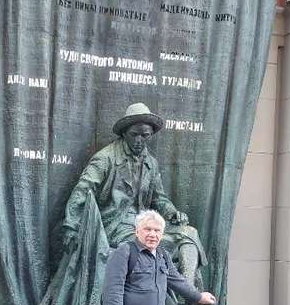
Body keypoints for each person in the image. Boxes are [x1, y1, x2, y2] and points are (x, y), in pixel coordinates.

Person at [64, 102, 206, 286]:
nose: (139, 140)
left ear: (151, 135)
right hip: (115, 225)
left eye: (145, 135)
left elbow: (159, 198)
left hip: (144, 223)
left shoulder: (151, 163)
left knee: (189, 233)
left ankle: (187, 293)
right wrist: (71, 226)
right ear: (124, 133)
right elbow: (83, 190)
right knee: (145, 244)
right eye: (134, 134)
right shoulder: (106, 158)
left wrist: (171, 212)